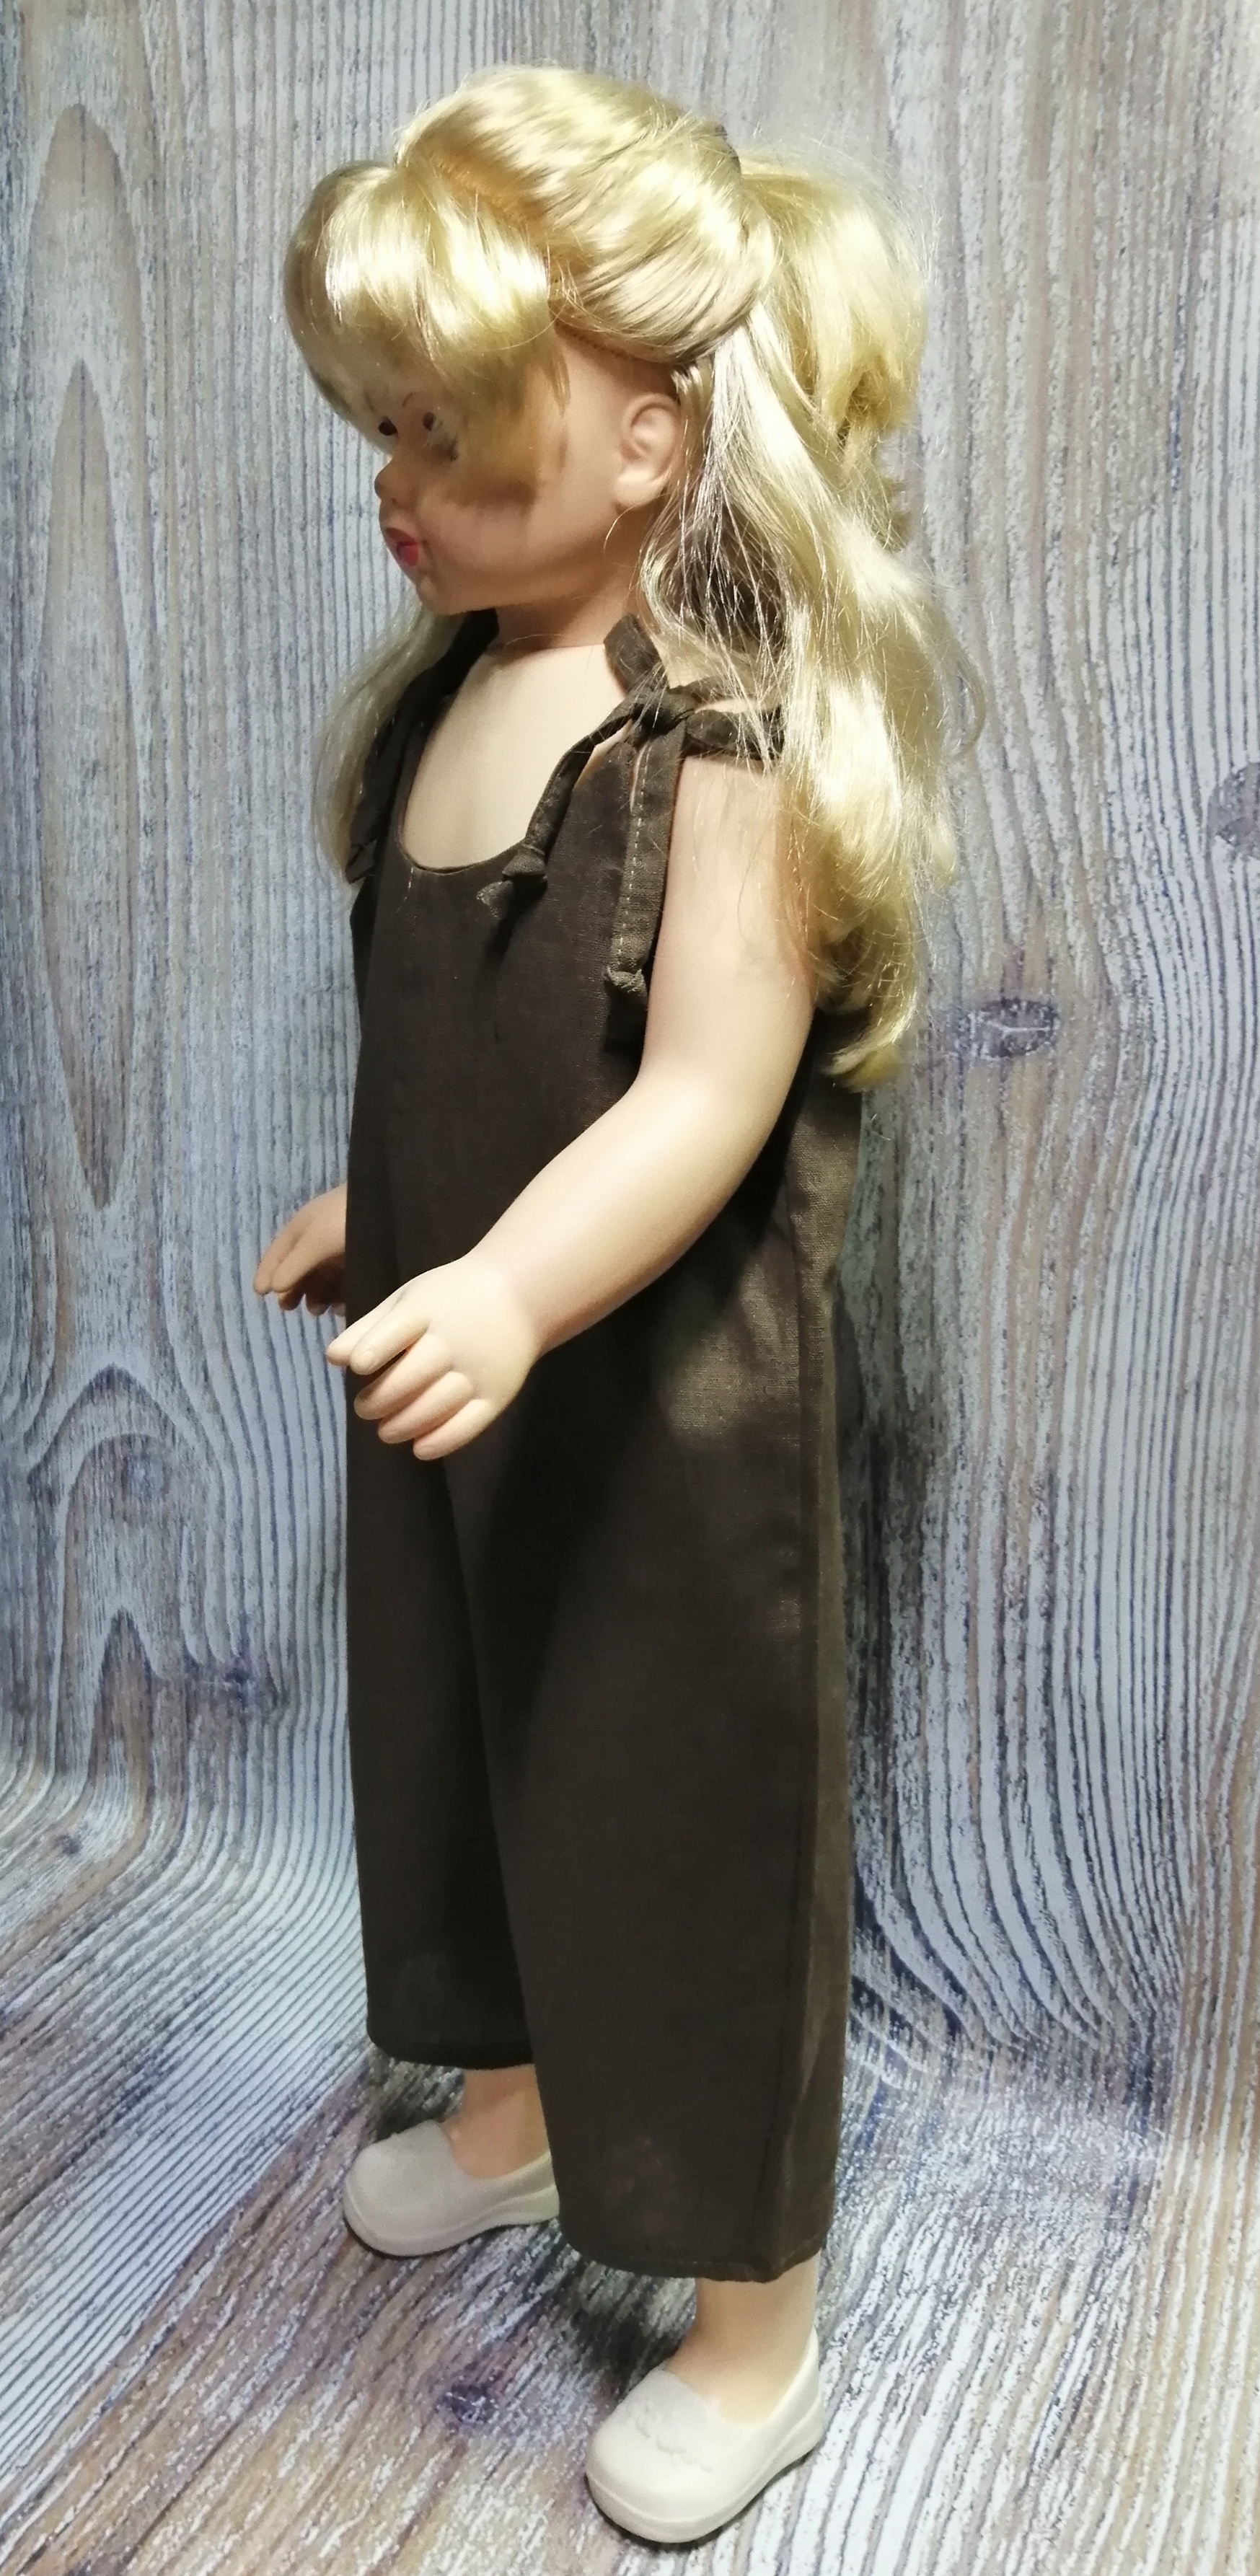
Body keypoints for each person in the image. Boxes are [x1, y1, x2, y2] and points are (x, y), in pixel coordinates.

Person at [253, 62, 979, 2545]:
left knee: (672, 1809)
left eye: (448, 427)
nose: (398, 481)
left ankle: (754, 2324)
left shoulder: (713, 754)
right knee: (454, 1750)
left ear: (652, 441)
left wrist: (504, 1282)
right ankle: (513, 2104)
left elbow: (694, 1105)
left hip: (657, 1413)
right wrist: (384, 1210)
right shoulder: (450, 704)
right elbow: (469, 1042)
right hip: (471, 1381)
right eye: (381, 426)